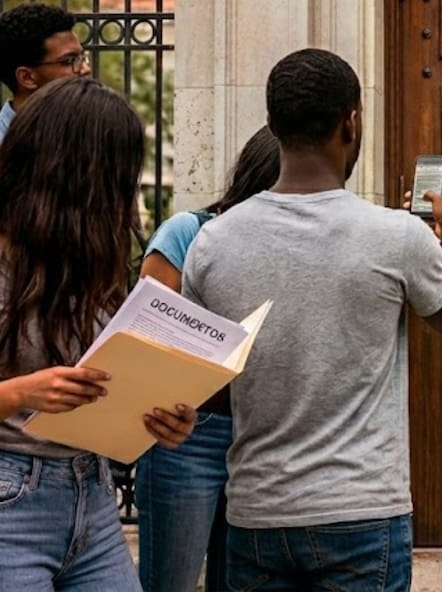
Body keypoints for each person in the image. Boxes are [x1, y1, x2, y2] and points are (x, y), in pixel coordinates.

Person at [183, 48, 442, 591]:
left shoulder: (211, 243)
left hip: (257, 512)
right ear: (352, 122)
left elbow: (204, 384)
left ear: (272, 126)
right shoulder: (397, 236)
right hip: (361, 509)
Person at [0, 77, 195, 591]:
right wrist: (25, 392)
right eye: (117, 175)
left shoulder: (88, 266)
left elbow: (99, 393)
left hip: (93, 497)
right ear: (74, 173)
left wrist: (152, 418)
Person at [136, 125, 280, 592]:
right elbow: (143, 335)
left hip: (261, 436)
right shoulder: (188, 231)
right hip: (187, 434)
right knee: (169, 581)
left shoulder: (294, 246)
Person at [0, 3, 90, 181]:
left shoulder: (91, 137)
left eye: (82, 57)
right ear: (27, 78)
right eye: (69, 61)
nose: (84, 68)